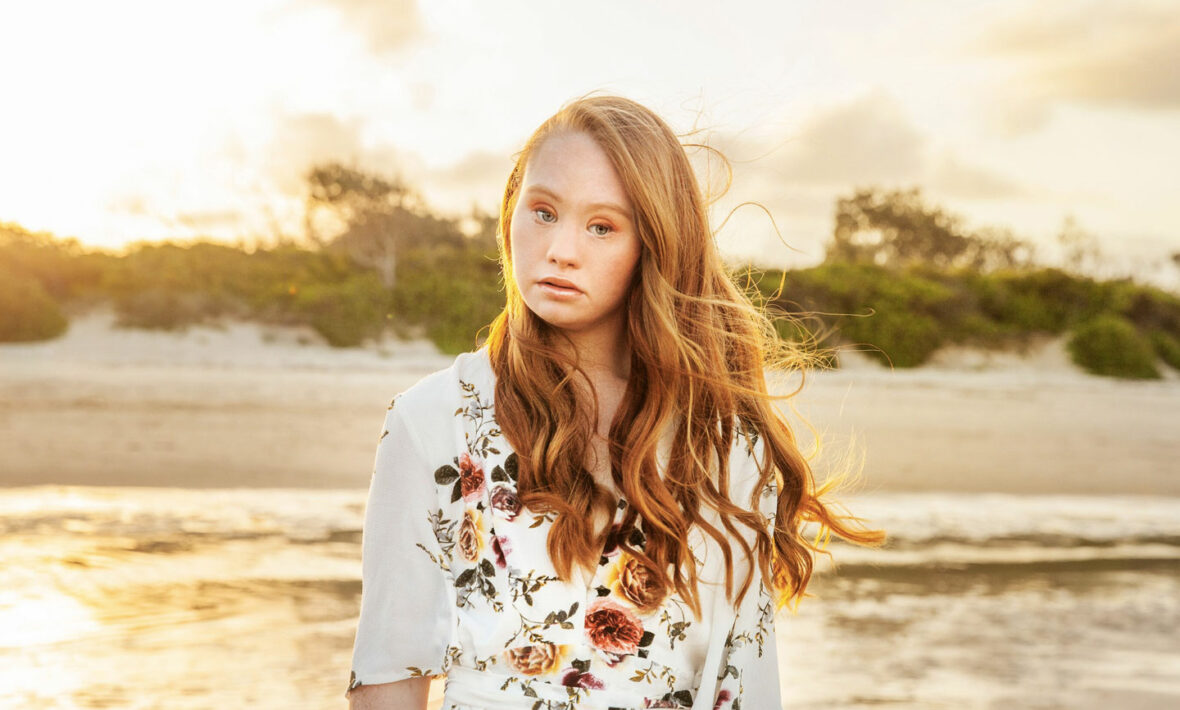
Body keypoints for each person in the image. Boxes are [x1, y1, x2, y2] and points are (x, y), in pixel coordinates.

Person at [344, 93, 885, 710]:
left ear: (652, 246)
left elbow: (744, 679)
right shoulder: (432, 422)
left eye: (601, 226)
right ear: (510, 213)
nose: (562, 249)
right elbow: (389, 669)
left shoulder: (724, 443)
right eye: (543, 212)